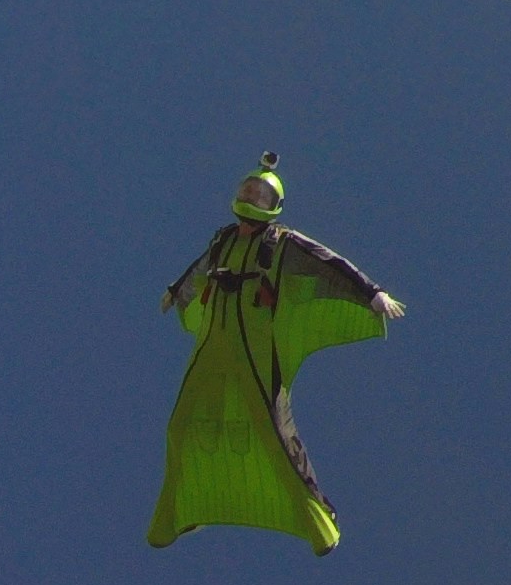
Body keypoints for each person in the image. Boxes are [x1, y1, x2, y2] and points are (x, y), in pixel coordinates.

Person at [147, 155, 403, 556]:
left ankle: (318, 518)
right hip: (215, 341)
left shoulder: (282, 243)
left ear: (273, 204)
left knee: (274, 433)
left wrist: (371, 292)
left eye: (260, 193)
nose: (251, 195)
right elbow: (199, 269)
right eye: (248, 190)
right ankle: (177, 510)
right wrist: (177, 290)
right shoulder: (223, 241)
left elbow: (325, 263)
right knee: (181, 425)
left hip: (255, 346)